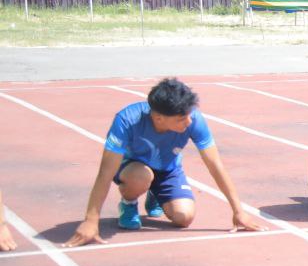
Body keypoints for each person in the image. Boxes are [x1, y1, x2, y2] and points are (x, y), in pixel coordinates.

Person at [65, 77, 264, 247]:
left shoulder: (193, 119)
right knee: (142, 176)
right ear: (158, 118)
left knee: (184, 217)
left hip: (168, 170)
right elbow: (105, 172)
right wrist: (91, 220)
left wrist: (239, 211)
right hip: (132, 168)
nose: (188, 122)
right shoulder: (126, 120)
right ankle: (129, 203)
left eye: (189, 116)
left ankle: (155, 193)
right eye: (181, 119)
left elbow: (215, 165)